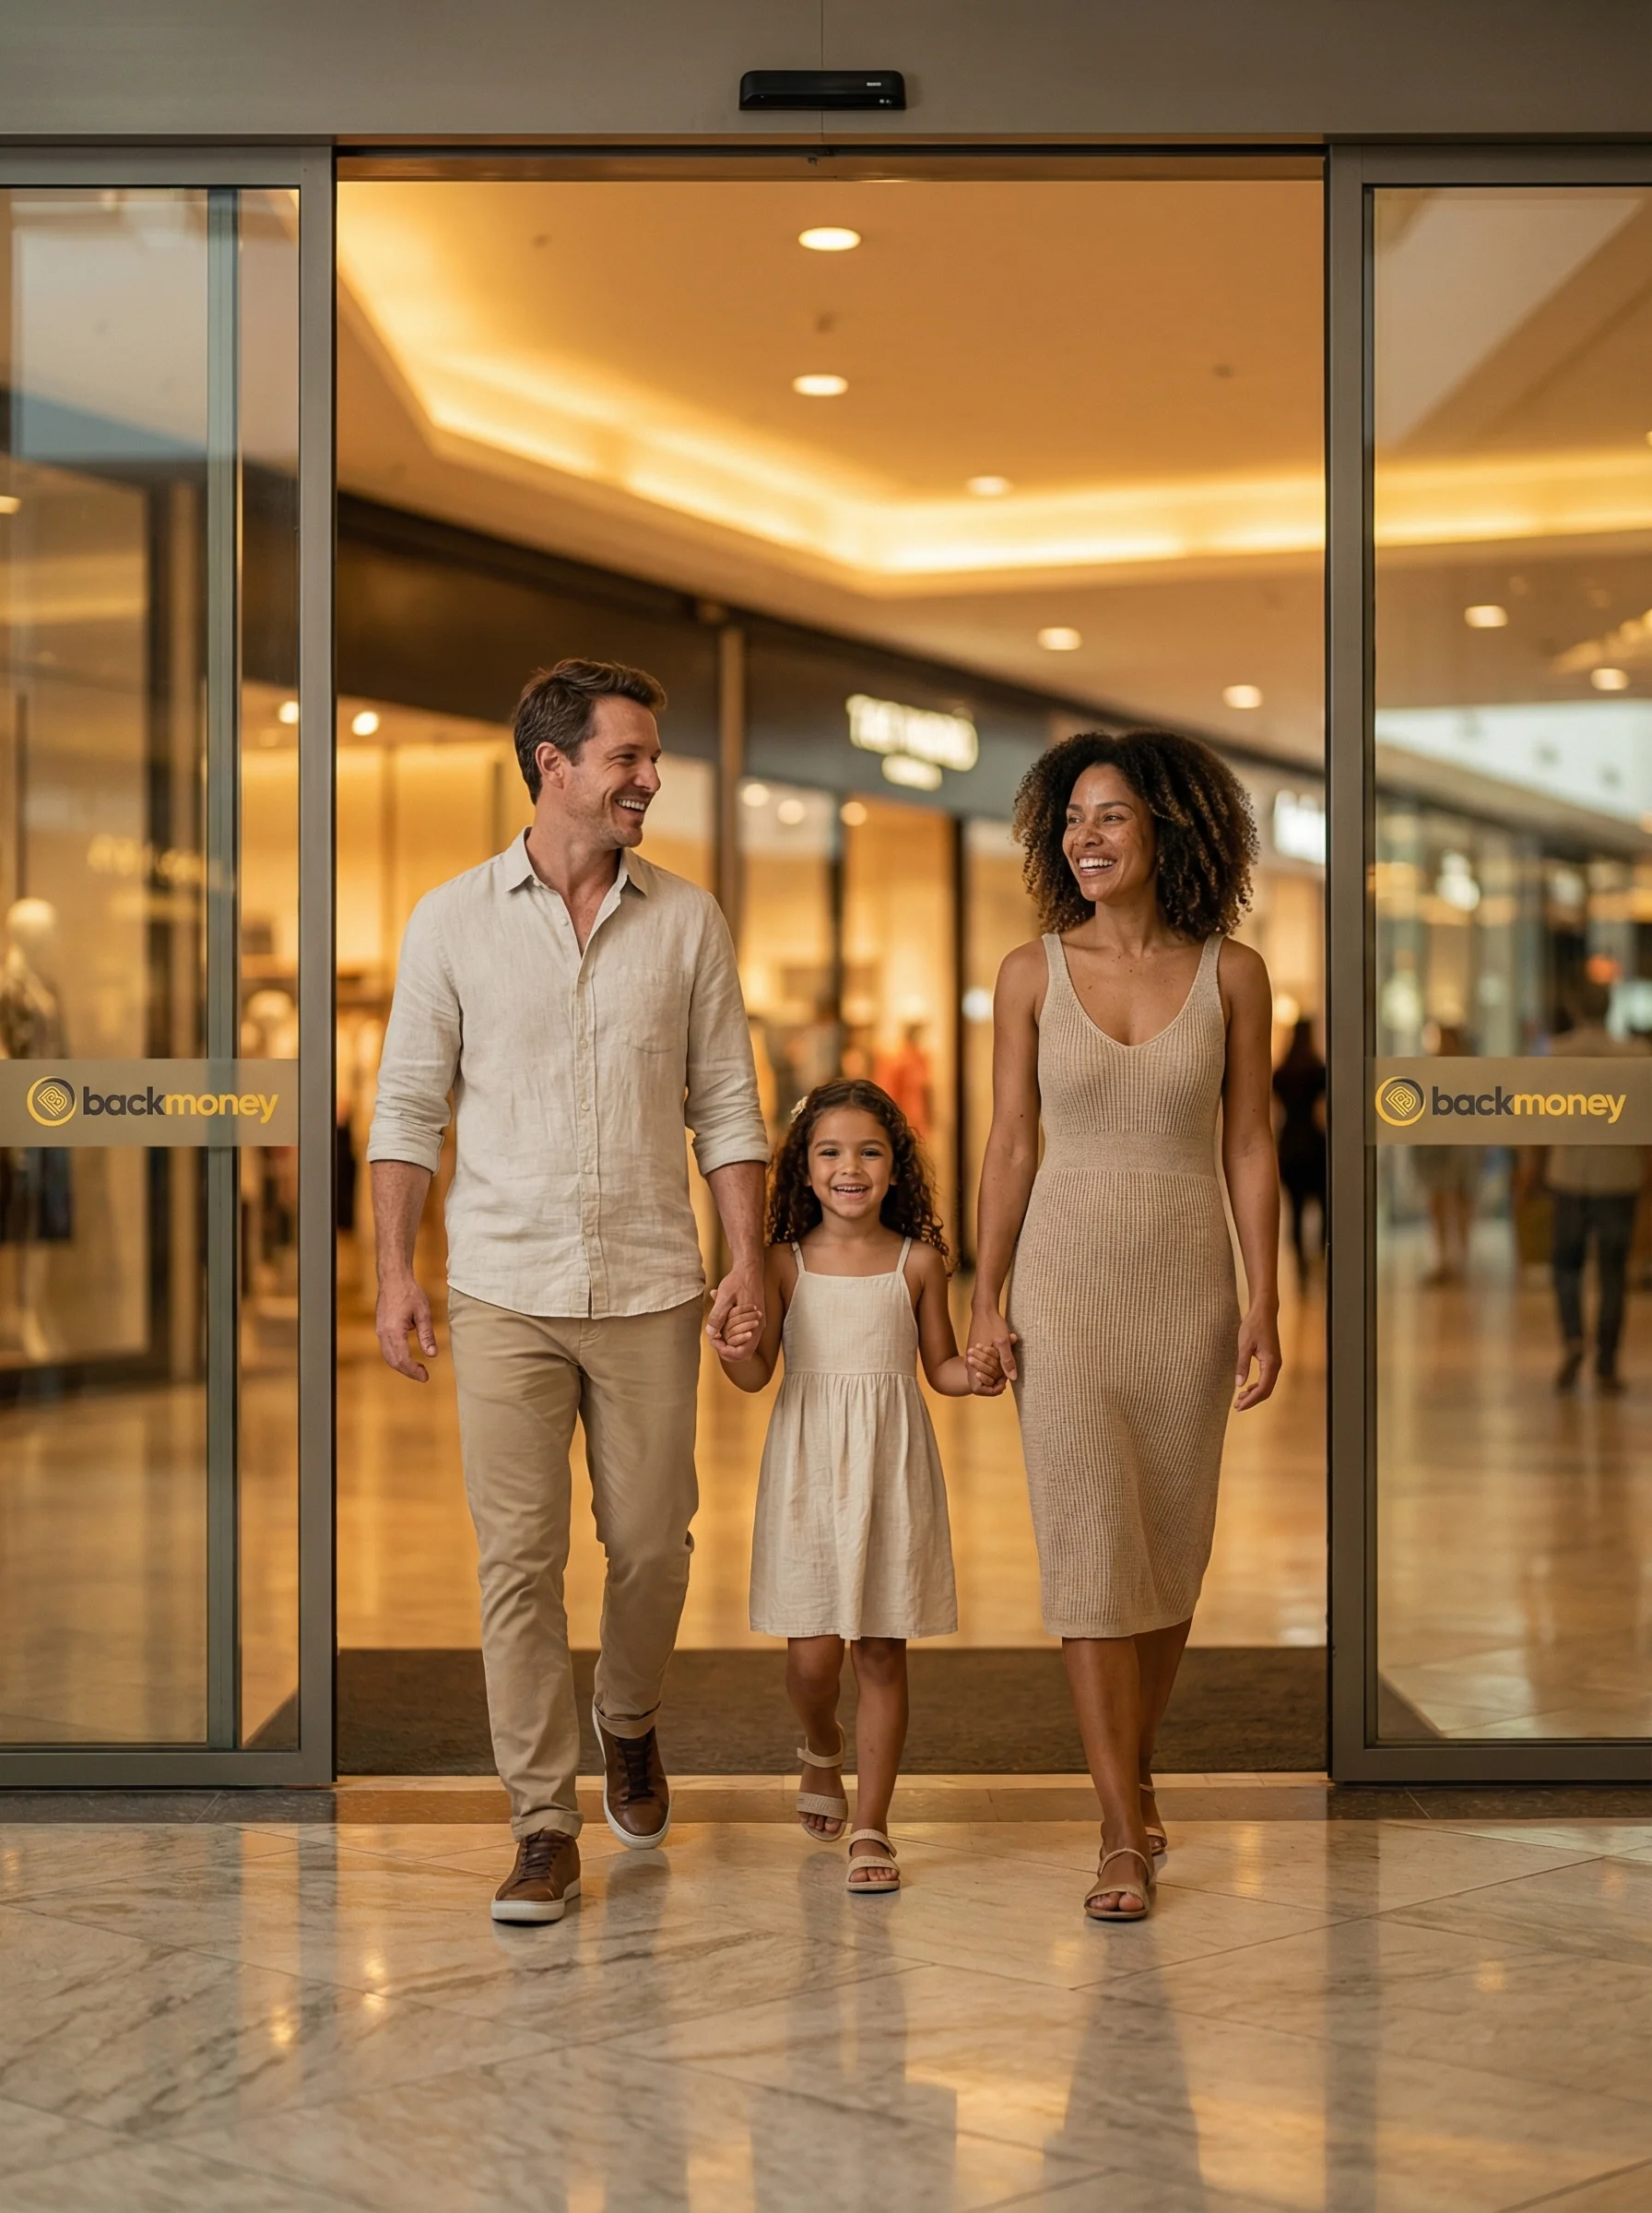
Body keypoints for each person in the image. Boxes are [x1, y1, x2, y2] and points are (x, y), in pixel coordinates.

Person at [368, 658, 770, 1925]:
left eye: (651, 758)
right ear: (554, 766)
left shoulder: (688, 921)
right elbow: (407, 1108)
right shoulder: (450, 921)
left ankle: (628, 1715)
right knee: (518, 1562)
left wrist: (749, 1257)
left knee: (652, 1543)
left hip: (650, 1282)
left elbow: (728, 1106)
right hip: (503, 1285)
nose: (649, 779)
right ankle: (540, 1822)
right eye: (627, 758)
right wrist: (393, 1271)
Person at [967, 730, 1280, 1924]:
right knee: (1090, 1551)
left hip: (1188, 1293)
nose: (1084, 840)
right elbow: (1010, 1142)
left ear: (1167, 829)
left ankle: (1134, 1773)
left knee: (1166, 1550)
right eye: (1070, 819)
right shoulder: (1029, 972)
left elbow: (1247, 1143)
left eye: (1109, 817)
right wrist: (985, 1296)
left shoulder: (1232, 974)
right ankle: (1116, 1829)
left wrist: (1265, 1297)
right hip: (1062, 1293)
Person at [713, 1077, 989, 1893]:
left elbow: (939, 1368)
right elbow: (757, 1375)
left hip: (889, 1471)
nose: (850, 1168)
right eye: (830, 1152)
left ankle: (873, 1824)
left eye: (870, 1152)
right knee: (812, 1662)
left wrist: (976, 1373)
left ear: (896, 1168)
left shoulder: (919, 1264)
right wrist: (729, 1350)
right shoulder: (782, 1264)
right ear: (804, 1169)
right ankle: (822, 1743)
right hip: (806, 1471)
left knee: (879, 1649)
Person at [1538, 976, 1649, 1394]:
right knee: (1613, 1272)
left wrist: (1530, 1167)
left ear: (1574, 1008)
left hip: (1569, 1172)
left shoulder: (1557, 1053)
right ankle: (1606, 1363)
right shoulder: (1636, 1055)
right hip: (1619, 1175)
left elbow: (1539, 1114)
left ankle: (1573, 1339)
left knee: (1567, 1265)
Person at [1410, 1023, 1480, 1284]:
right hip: (1436, 1146)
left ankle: (1460, 1258)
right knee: (1438, 1201)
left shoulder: (1468, 1071)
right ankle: (1444, 1259)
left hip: (1461, 1146)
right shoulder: (1431, 1070)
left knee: (1461, 1199)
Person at [1272, 1015, 1327, 1292]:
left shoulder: (1282, 1073)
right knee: (1324, 1206)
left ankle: (1301, 1269)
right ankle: (1321, 1257)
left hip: (1290, 1143)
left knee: (1295, 1210)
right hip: (1314, 1143)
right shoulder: (1318, 1070)